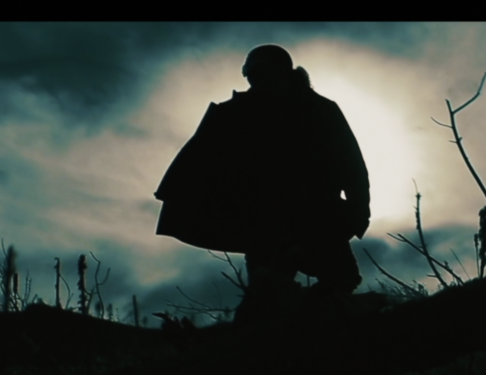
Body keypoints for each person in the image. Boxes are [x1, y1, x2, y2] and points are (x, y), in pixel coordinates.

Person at [153, 44, 370, 299]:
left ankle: (314, 313)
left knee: (340, 280)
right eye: (252, 72)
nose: (256, 77)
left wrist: (358, 209)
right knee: (269, 289)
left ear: (281, 71)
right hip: (261, 218)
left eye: (263, 70)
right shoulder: (233, 114)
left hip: (315, 213)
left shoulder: (318, 109)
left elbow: (350, 163)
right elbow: (203, 166)